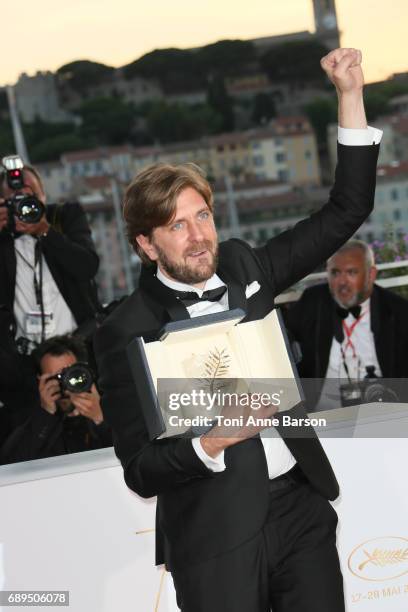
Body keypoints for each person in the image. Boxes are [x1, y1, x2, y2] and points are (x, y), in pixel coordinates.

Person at [94, 48, 382, 612]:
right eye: (177, 225)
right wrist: (210, 442)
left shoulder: (247, 265)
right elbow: (140, 469)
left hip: (301, 511)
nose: (198, 236)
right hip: (213, 535)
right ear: (146, 245)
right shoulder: (124, 330)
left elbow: (347, 208)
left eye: (203, 215)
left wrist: (349, 96)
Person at [0, 163, 100, 433]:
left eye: (29, 194)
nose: (23, 204)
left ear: (43, 196)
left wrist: (44, 231)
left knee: (90, 423)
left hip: (78, 348)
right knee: (40, 432)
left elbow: (87, 266)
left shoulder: (64, 217)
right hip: (26, 362)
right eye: (14, 199)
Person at [285, 239, 408, 410]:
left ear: (371, 274)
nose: (342, 282)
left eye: (351, 272)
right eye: (335, 273)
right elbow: (282, 340)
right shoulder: (313, 302)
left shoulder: (398, 311)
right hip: (324, 413)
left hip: (384, 410)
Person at [0, 334, 111, 464]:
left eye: (70, 374)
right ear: (40, 379)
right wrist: (45, 414)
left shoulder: (111, 403)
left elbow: (130, 453)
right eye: (56, 378)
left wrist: (100, 419)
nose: (65, 385)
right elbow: (10, 467)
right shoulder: (26, 417)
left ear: (83, 370)